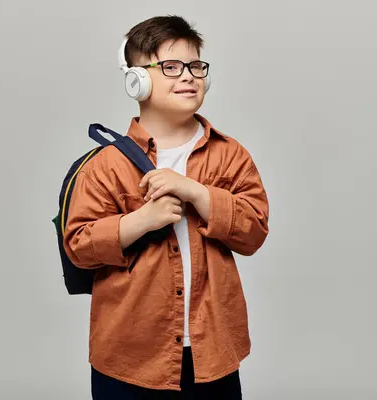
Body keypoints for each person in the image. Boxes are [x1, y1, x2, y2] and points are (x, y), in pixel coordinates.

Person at [62, 15, 270, 399]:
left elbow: (254, 230)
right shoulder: (106, 165)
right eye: (170, 67)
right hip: (130, 356)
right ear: (136, 81)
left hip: (213, 353)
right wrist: (141, 221)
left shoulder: (230, 155)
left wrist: (197, 193)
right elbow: (79, 246)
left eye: (195, 66)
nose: (188, 76)